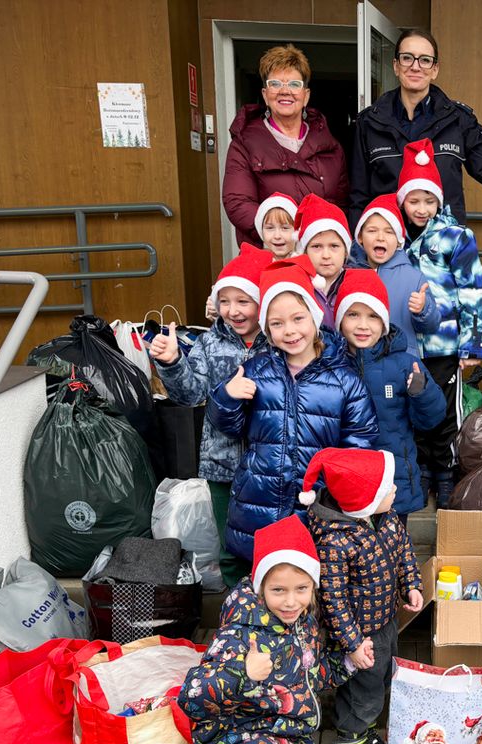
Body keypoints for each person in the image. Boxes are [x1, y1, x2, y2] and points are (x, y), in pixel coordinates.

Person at [178, 515, 372, 744]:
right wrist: (243, 673)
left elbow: (313, 675)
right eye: (278, 590)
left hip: (288, 739)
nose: (290, 601)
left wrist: (348, 662)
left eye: (301, 589)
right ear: (260, 588)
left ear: (313, 587)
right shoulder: (239, 633)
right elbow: (191, 697)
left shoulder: (303, 624)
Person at [206, 255, 379, 571]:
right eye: (277, 323)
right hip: (260, 499)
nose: (289, 331)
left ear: (314, 317)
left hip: (316, 505)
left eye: (298, 319)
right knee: (262, 579)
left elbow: (360, 444)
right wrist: (227, 397)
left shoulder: (344, 379)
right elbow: (228, 426)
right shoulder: (256, 371)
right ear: (267, 330)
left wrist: (335, 491)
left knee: (311, 581)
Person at [298, 447, 425, 744]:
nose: (395, 490)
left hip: (386, 622)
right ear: (363, 499)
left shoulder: (386, 519)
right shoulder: (336, 540)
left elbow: (405, 554)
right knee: (362, 691)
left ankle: (365, 731)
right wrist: (352, 645)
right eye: (387, 488)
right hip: (358, 634)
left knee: (381, 681)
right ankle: (347, 742)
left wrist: (411, 585)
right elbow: (332, 599)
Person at [150, 243, 273, 587]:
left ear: (262, 302)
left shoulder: (278, 340)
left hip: (270, 463)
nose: (233, 310)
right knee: (231, 547)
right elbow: (189, 395)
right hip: (222, 465)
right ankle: (238, 611)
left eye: (243, 301)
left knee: (269, 544)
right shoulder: (209, 343)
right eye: (225, 301)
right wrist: (173, 362)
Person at [348, 27, 482, 226]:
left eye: (425, 60)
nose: (415, 67)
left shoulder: (458, 120)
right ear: (396, 66)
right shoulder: (369, 122)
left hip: (444, 250)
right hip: (389, 249)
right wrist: (360, 253)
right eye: (407, 58)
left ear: (435, 70)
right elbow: (359, 199)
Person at [399, 139, 482, 507]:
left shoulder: (455, 236)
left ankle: (445, 473)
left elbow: (474, 291)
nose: (421, 209)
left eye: (428, 201)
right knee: (410, 409)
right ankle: (421, 470)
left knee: (442, 414)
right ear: (402, 201)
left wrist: (471, 344)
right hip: (405, 346)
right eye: (414, 201)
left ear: (439, 201)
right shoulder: (395, 236)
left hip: (444, 346)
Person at [333, 271, 445, 518]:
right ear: (340, 320)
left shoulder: (404, 364)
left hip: (393, 478)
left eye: (373, 317)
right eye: (353, 315)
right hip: (346, 476)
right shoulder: (331, 364)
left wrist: (421, 391)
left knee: (392, 547)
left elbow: (431, 420)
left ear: (384, 322)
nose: (363, 325)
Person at [222, 44, 348, 248]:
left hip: (318, 257)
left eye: (294, 84)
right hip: (270, 255)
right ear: (265, 94)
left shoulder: (331, 147)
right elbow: (237, 202)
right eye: (276, 83)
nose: (285, 91)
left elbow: (340, 205)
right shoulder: (244, 144)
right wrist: (281, 235)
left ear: (306, 95)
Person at [351, 193, 440, 357]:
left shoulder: (413, 278)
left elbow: (432, 326)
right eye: (372, 230)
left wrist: (423, 309)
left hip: (400, 364)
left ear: (399, 240)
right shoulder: (349, 274)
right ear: (360, 237)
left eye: (389, 232)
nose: (380, 237)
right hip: (357, 361)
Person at [294, 194, 353, 330]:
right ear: (305, 251)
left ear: (345, 251)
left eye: (334, 246)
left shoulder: (356, 283)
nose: (326, 255)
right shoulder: (297, 286)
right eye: (317, 247)